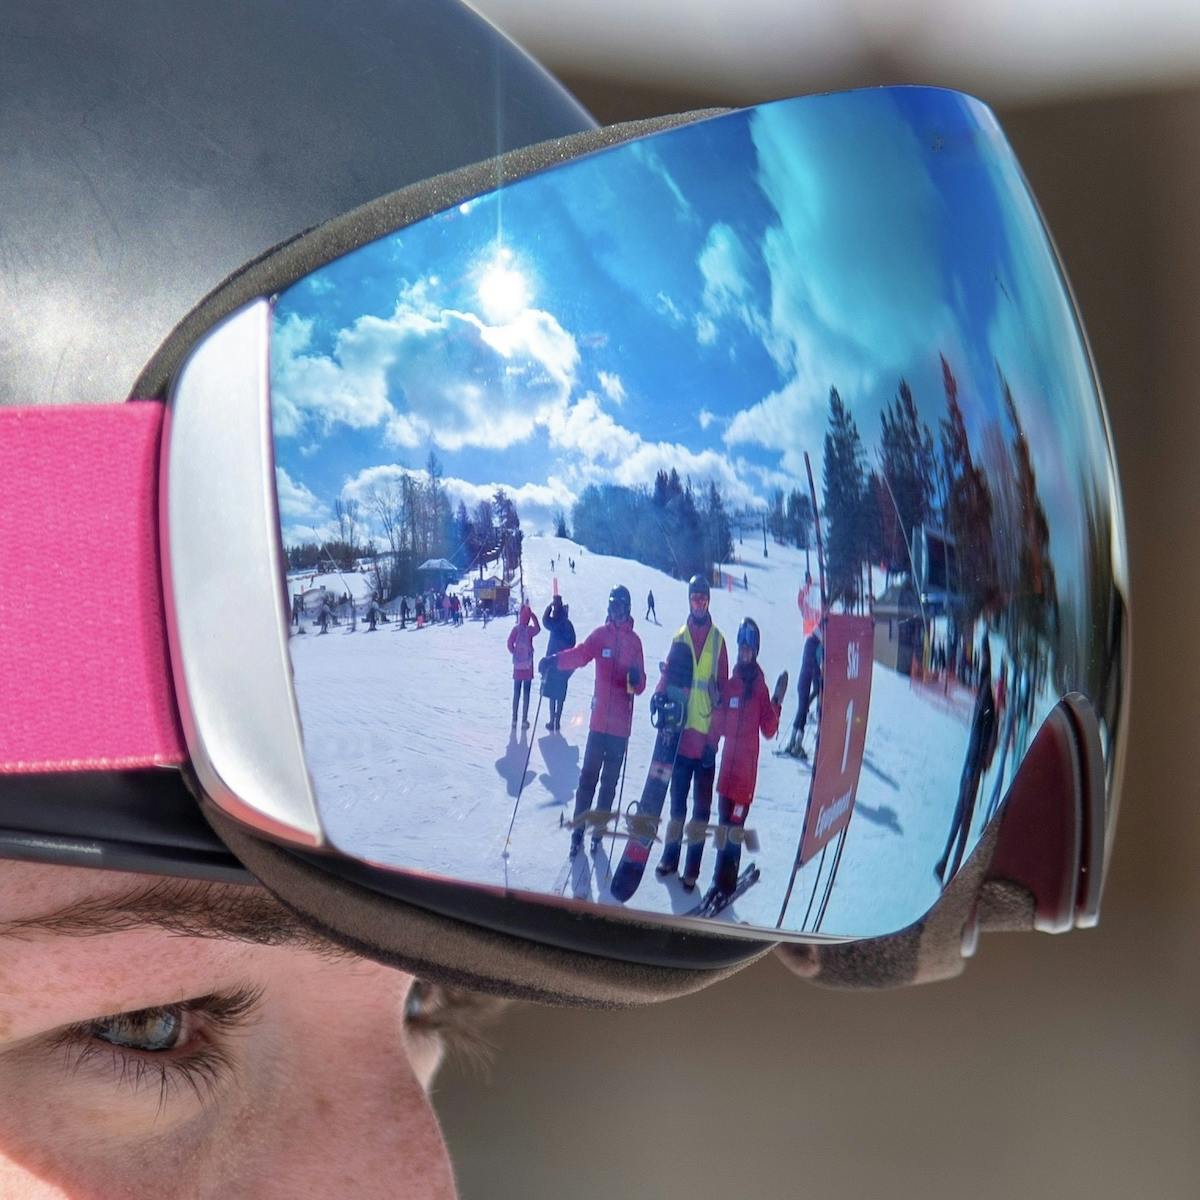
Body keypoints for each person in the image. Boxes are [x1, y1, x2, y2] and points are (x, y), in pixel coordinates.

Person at [541, 585, 646, 856]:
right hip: (599, 724)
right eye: (613, 607)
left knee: (609, 784)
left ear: (628, 609)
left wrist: (636, 680)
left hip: (620, 729)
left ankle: (598, 832)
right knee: (588, 778)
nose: (616, 612)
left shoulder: (635, 643)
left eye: (621, 607)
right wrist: (554, 660)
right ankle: (578, 830)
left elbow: (641, 683)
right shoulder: (601, 635)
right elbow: (581, 654)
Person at [655, 574, 728, 890]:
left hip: (706, 745)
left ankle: (692, 869)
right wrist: (658, 694)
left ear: (709, 601)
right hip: (682, 737)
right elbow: (669, 674)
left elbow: (722, 697)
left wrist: (714, 740)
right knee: (677, 806)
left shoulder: (718, 641)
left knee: (700, 811)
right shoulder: (679, 637)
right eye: (695, 598)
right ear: (689, 600)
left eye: (704, 598)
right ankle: (670, 857)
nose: (699, 603)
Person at [708, 618, 786, 902]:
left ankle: (727, 885)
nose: (744, 653)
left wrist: (776, 701)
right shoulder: (731, 685)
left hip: (744, 778)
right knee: (723, 827)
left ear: (755, 651)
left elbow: (767, 730)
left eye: (748, 649)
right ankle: (718, 880)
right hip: (727, 772)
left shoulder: (760, 688)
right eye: (741, 648)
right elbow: (721, 728)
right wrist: (717, 703)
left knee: (734, 830)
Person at [935, 633, 999, 887]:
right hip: (969, 767)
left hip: (972, 769)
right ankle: (945, 866)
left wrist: (984, 762)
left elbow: (991, 736)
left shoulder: (987, 701)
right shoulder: (985, 695)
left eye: (982, 663)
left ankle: (950, 871)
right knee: (960, 816)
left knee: (963, 820)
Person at [783, 625, 823, 759]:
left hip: (803, 682)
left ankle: (793, 742)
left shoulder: (810, 642)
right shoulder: (816, 645)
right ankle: (796, 743)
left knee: (801, 711)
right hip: (807, 682)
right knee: (802, 711)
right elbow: (817, 667)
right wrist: (818, 686)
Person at [542, 595, 577, 732]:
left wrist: (548, 609)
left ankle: (553, 720)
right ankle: (556, 721)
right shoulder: (567, 623)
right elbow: (573, 641)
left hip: (554, 661)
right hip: (564, 662)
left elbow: (545, 622)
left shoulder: (556, 622)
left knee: (553, 693)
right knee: (559, 693)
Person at [506, 603, 542, 729]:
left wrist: (515, 653)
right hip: (527, 667)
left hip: (517, 667)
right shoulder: (529, 630)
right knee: (526, 694)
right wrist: (533, 616)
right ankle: (524, 720)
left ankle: (514, 720)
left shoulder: (516, 630)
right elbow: (538, 629)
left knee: (516, 693)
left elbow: (509, 643)